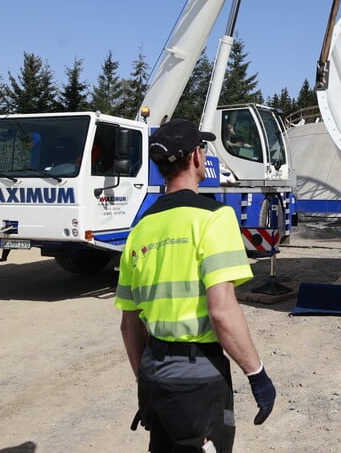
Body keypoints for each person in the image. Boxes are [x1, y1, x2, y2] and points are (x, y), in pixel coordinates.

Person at [115, 118, 276, 452]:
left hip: (154, 376)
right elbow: (221, 311)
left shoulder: (140, 229)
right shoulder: (214, 218)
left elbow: (129, 324)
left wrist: (144, 380)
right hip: (198, 378)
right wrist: (256, 373)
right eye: (201, 147)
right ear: (197, 157)